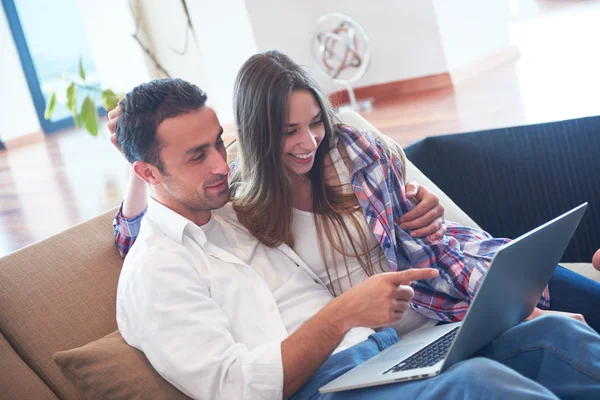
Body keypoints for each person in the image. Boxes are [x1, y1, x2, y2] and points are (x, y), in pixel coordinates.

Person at [115, 78, 600, 399]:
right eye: (197, 156)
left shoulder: (233, 208)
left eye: (219, 142)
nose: (221, 164)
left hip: (387, 355)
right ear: (146, 172)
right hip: (326, 388)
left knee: (550, 333)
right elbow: (235, 387)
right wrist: (344, 312)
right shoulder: (157, 270)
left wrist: (418, 206)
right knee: (476, 384)